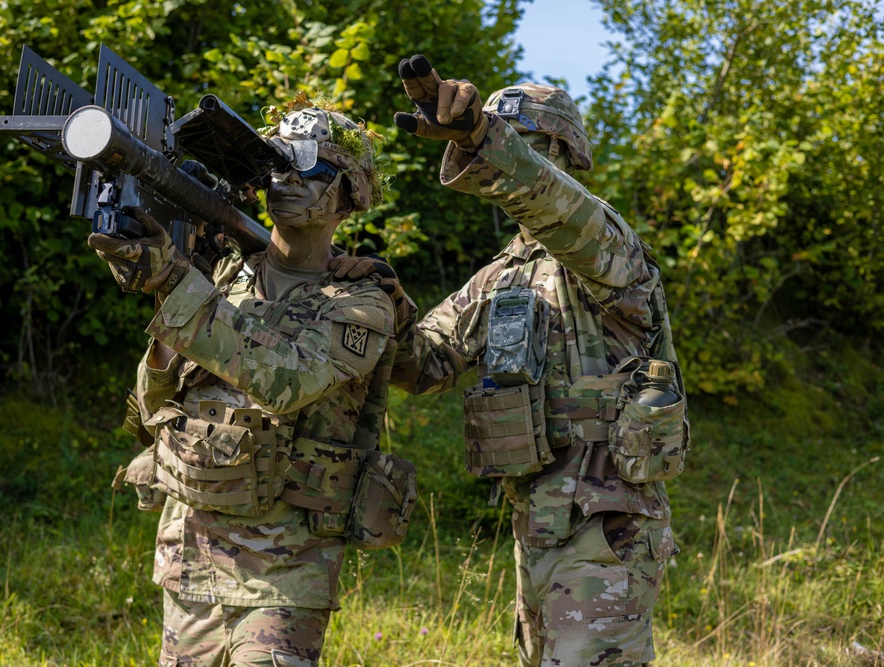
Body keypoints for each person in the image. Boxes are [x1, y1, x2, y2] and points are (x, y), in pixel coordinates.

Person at [355, 54, 690, 666]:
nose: (515, 156)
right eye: (510, 142)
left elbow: (559, 209)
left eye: (529, 144)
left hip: (607, 526)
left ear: (563, 154)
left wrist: (484, 138)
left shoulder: (607, 247)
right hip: (535, 523)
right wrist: (373, 299)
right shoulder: (502, 276)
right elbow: (424, 363)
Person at [91, 104, 416, 667]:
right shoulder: (222, 276)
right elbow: (153, 405)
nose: (286, 182)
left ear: (349, 195)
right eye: (277, 167)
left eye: (310, 171)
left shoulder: (362, 303)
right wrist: (173, 286)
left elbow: (287, 383)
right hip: (193, 547)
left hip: (287, 565)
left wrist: (175, 282)